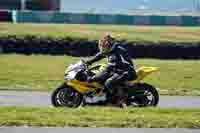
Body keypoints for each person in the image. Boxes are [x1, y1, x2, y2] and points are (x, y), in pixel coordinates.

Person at [86, 34, 137, 107]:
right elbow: (100, 55)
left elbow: (107, 70)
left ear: (110, 45)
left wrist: (92, 78)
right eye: (102, 45)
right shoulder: (112, 49)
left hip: (127, 72)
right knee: (103, 75)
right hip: (119, 70)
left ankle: (118, 101)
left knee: (109, 82)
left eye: (105, 45)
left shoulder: (116, 54)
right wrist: (89, 61)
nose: (103, 47)